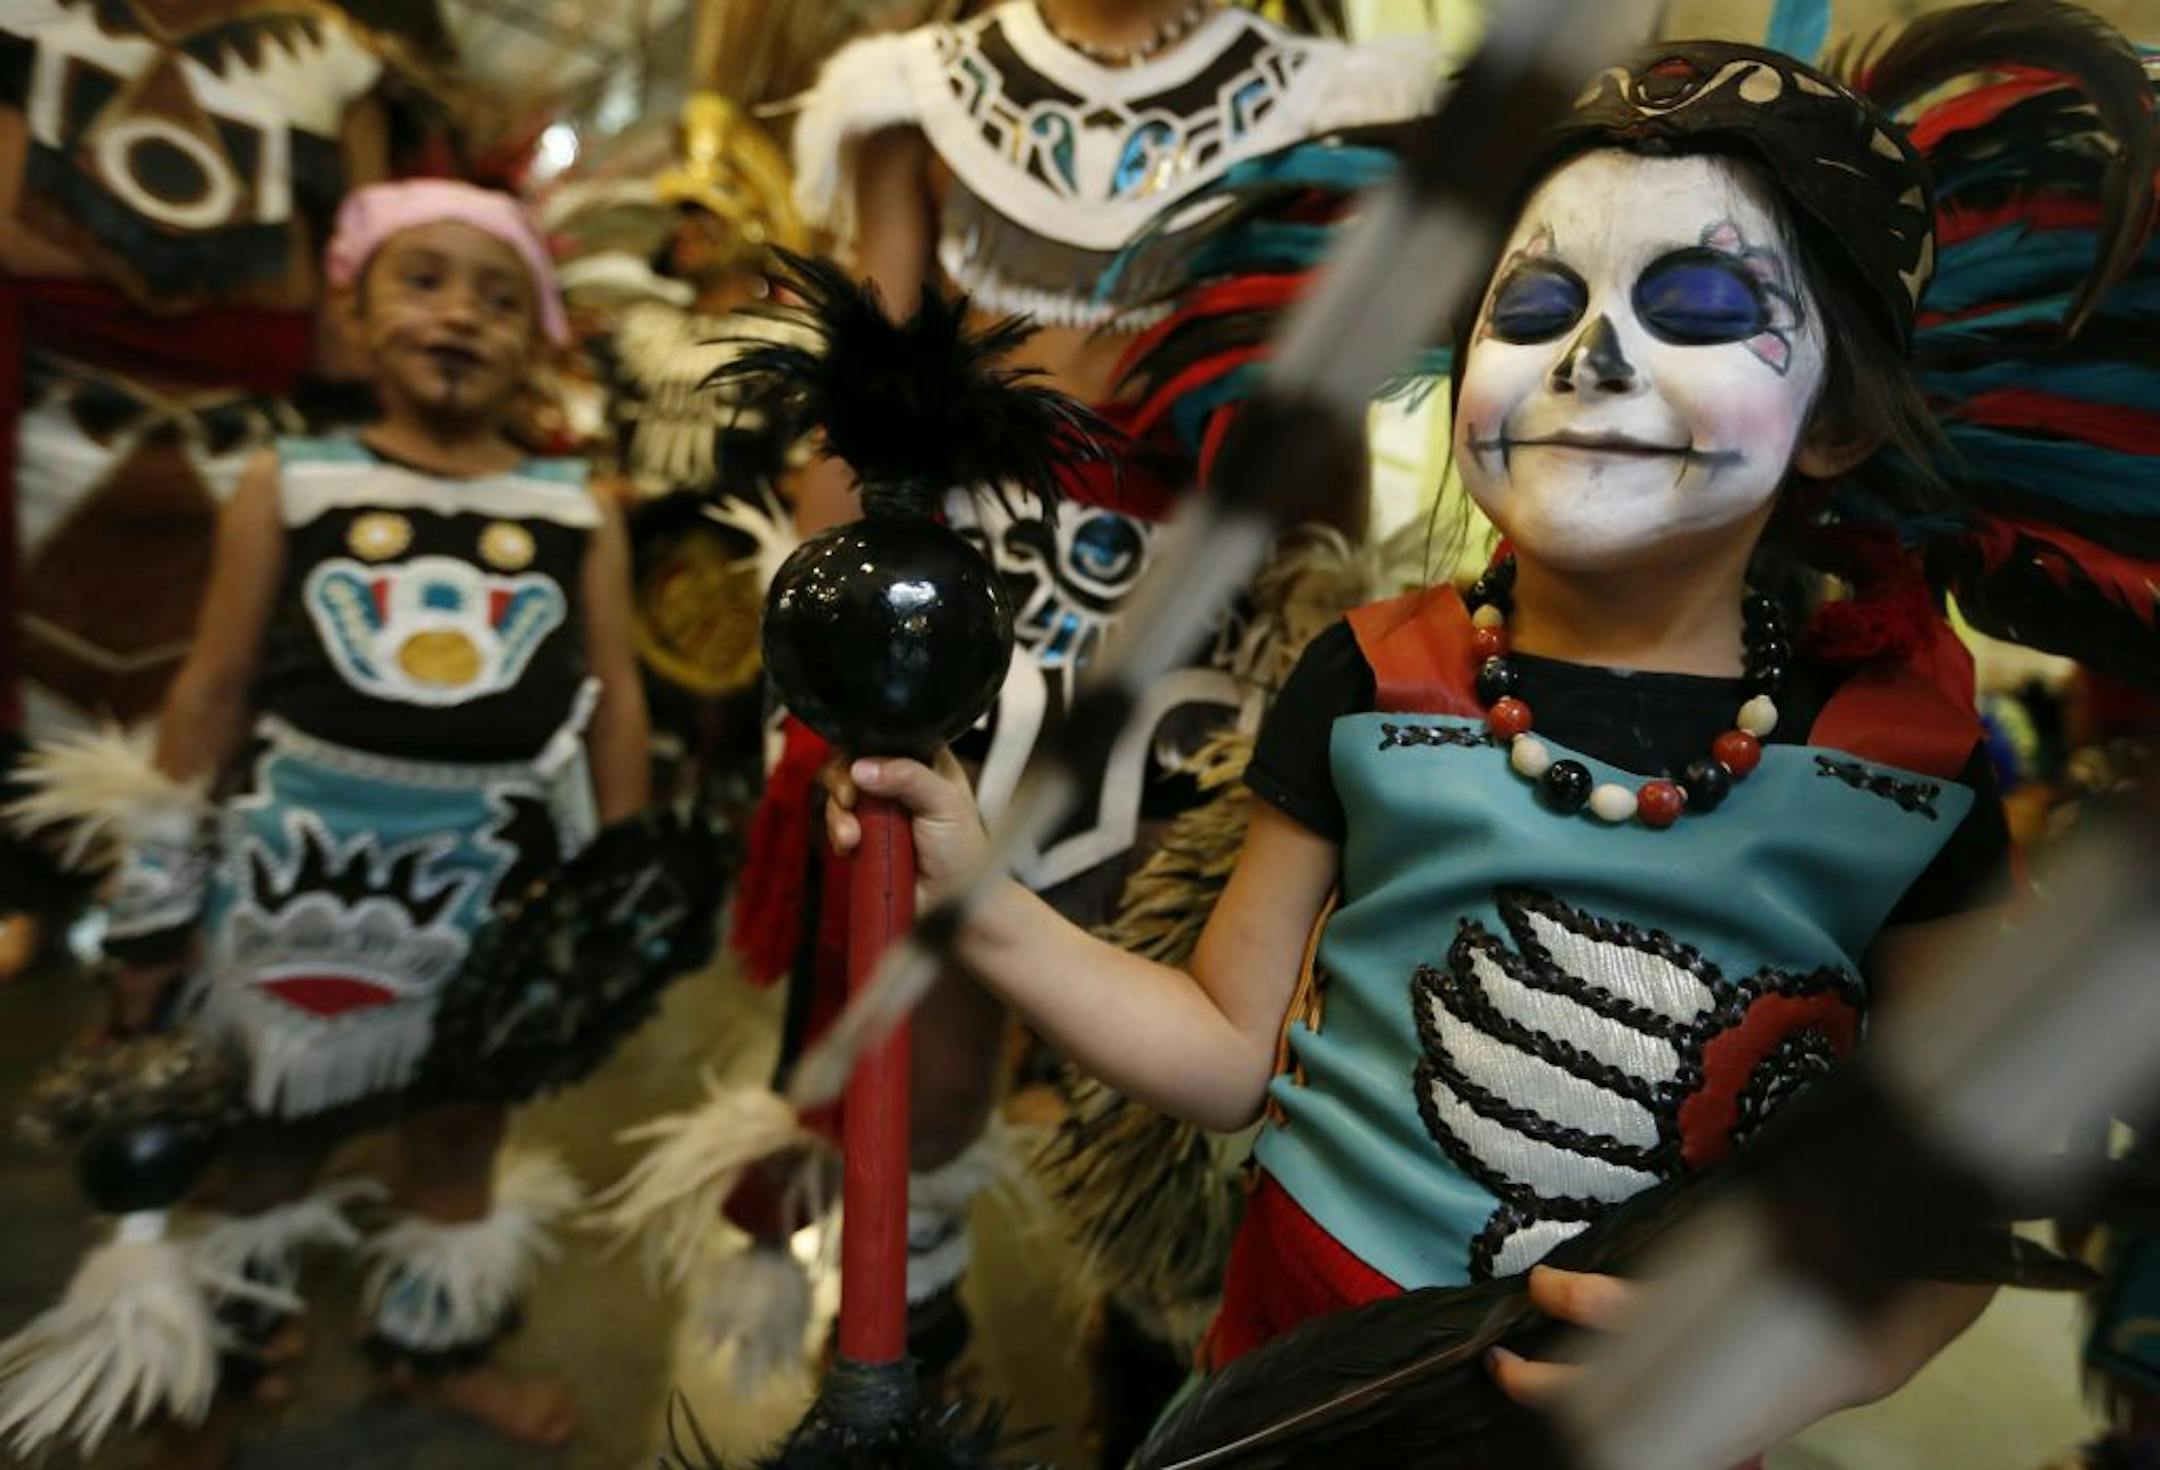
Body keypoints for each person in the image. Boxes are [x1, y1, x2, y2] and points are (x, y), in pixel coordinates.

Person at [822, 6, 2157, 1459]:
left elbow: (1949, 1202)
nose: (1588, 356)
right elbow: (1222, 1049)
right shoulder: (1373, 677)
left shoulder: (1905, 770)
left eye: (1700, 308)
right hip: (1298, 1370)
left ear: (1834, 420)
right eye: (1530, 308)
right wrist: (981, 897)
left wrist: (1784, 1368)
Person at [12, 179, 649, 1463]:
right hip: (294, 878)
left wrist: (617, 891)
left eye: (496, 292)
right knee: (266, 1145)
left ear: (539, 336)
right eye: (423, 279)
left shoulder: (578, 507)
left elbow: (615, 701)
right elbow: (213, 685)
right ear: (352, 313)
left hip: (495, 881)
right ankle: (231, 1359)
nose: (459, 313)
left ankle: (432, 1349)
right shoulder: (287, 481)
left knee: (465, 1127)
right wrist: (153, 901)